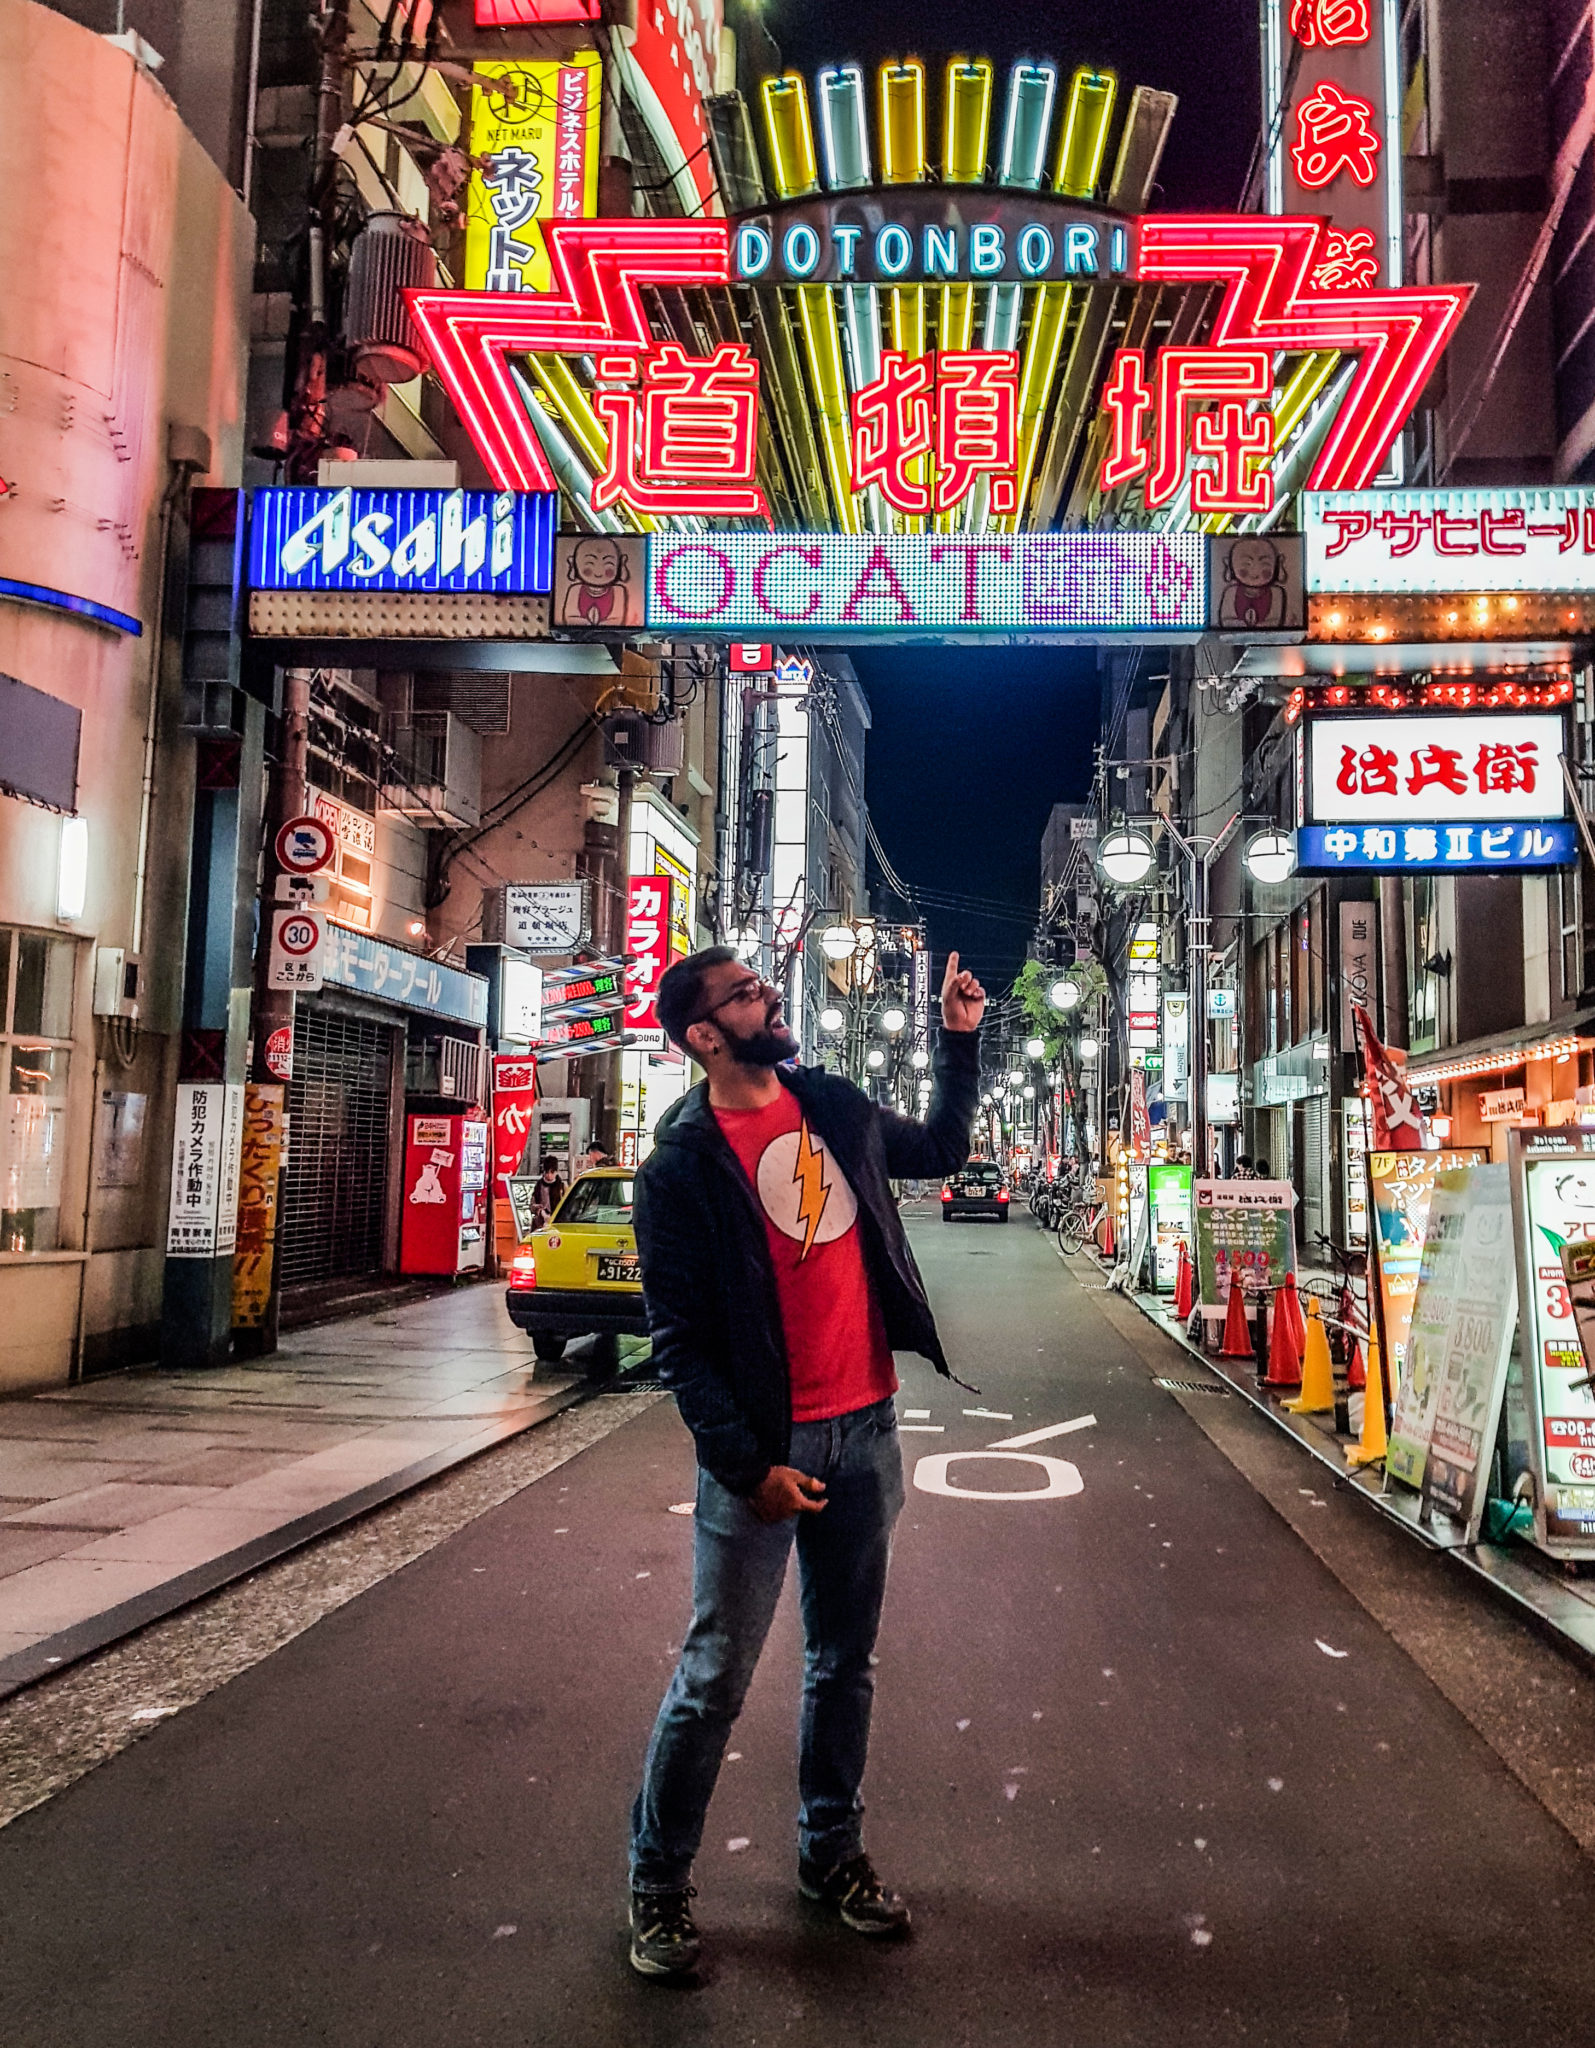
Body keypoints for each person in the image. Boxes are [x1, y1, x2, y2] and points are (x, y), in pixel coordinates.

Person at [626, 944, 985, 1979]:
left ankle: (830, 1855)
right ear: (702, 1033)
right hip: (765, 1453)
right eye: (743, 994)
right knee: (713, 1675)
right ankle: (656, 1883)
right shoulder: (681, 1165)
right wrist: (746, 1466)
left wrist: (958, 1040)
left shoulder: (828, 1102)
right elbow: (679, 1342)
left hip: (865, 1427)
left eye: (760, 987)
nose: (766, 999)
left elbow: (940, 1146)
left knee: (842, 1663)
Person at [529, 1154, 565, 1227]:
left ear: (556, 1172)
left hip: (558, 1222)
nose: (549, 1176)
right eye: (547, 1172)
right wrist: (537, 1208)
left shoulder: (562, 1185)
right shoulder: (539, 1185)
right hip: (541, 1223)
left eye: (552, 1172)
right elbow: (532, 1205)